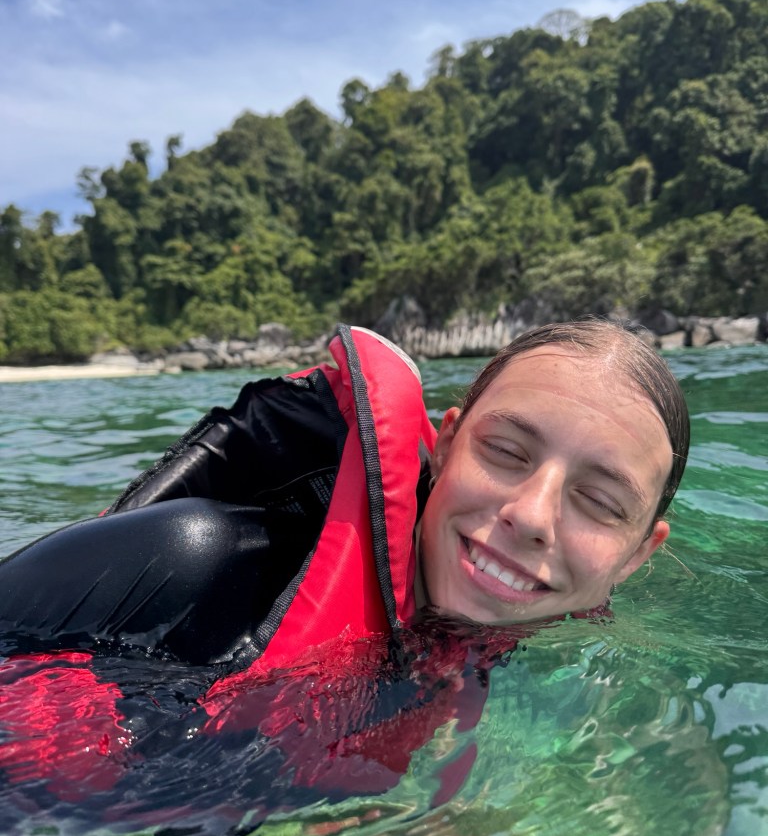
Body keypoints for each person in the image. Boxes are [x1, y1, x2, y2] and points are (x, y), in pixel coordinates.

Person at [0, 318, 689, 800]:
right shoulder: (193, 564)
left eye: (600, 502)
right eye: (506, 452)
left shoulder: (549, 650)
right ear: (446, 445)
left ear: (637, 555)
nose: (532, 516)